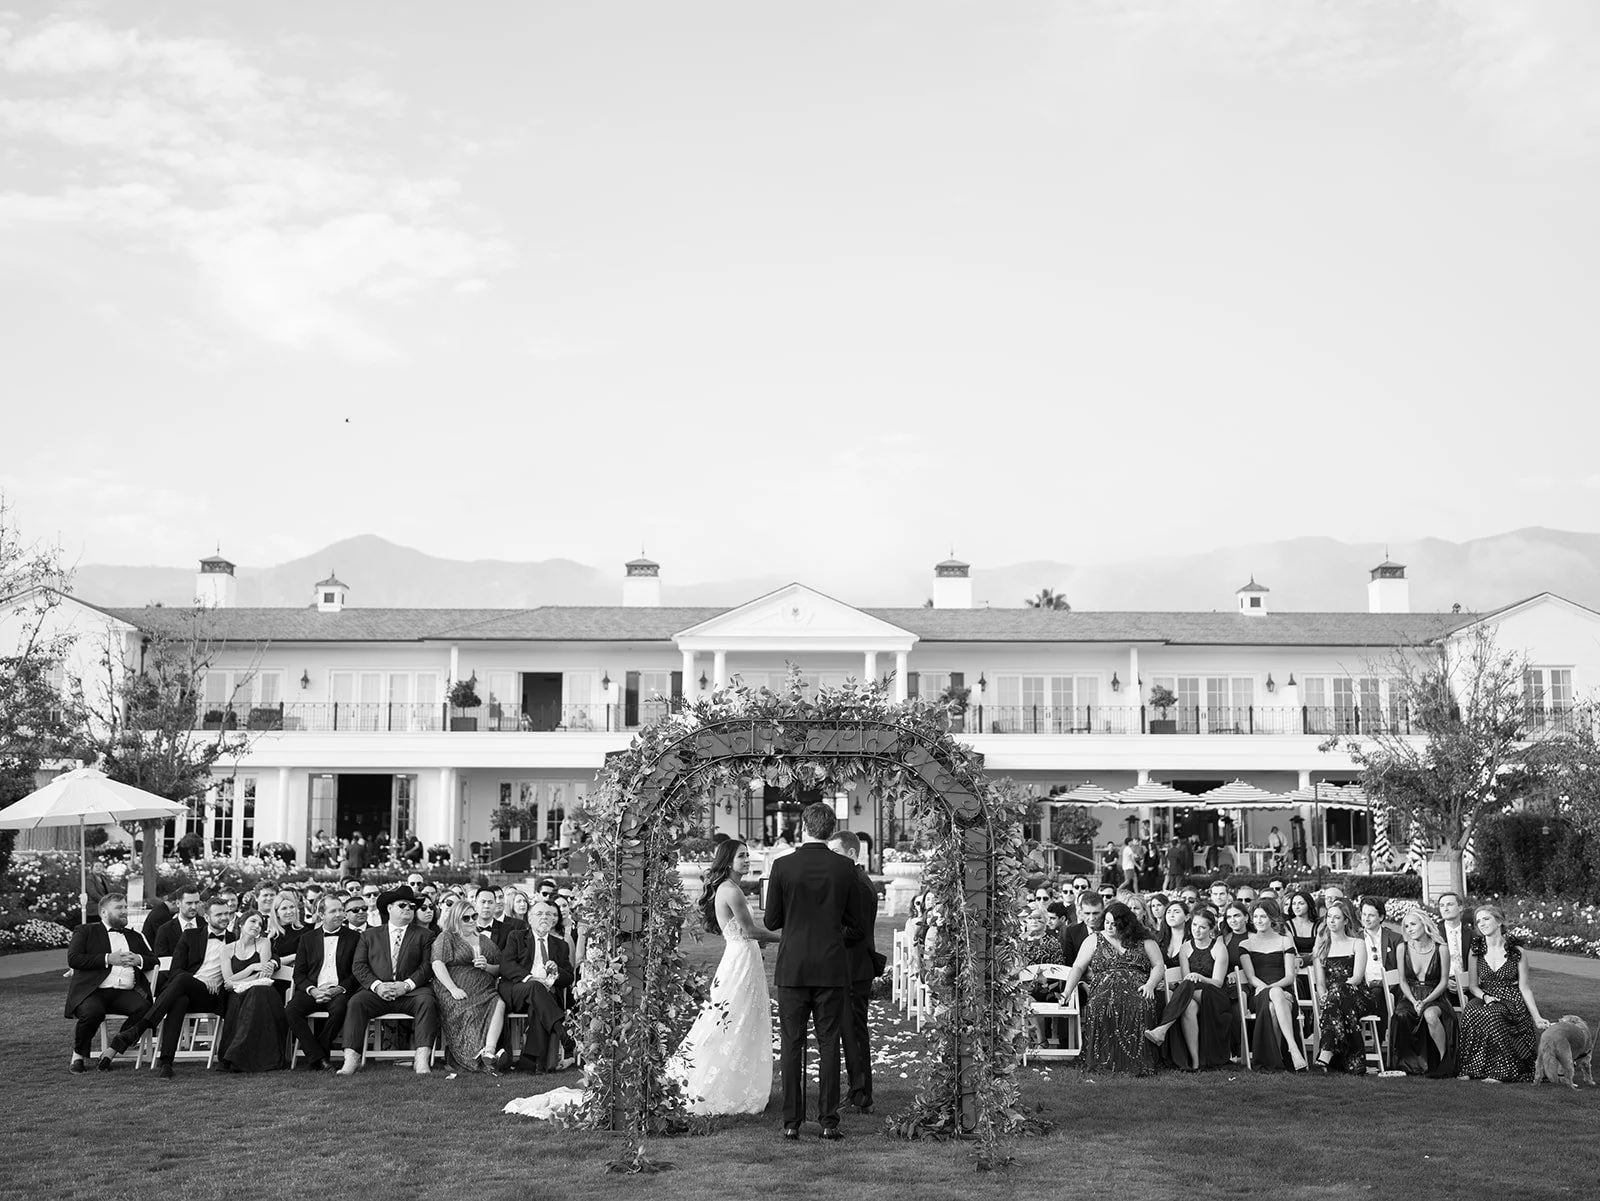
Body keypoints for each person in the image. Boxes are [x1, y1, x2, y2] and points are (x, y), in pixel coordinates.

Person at [764, 801, 867, 1141]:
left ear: (803, 827)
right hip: (830, 965)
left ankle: (792, 1122)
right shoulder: (845, 868)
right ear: (829, 827)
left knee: (792, 1044)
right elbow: (856, 922)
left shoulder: (782, 866)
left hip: (793, 966)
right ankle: (827, 1121)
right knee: (828, 1043)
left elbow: (772, 920)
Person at [671, 839, 783, 1113]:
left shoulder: (729, 888)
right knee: (734, 1017)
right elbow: (750, 931)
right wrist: (787, 937)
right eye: (741, 856)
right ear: (728, 861)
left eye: (747, 855)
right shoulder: (731, 891)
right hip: (741, 960)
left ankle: (738, 1080)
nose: (747, 860)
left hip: (743, 956)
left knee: (741, 1017)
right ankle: (720, 1082)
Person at [102, 897, 235, 1078]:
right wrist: (196, 979)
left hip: (213, 996)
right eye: (219, 914)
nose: (224, 917)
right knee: (179, 998)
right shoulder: (190, 936)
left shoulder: (235, 940)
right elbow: (175, 971)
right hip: (188, 989)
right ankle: (166, 1063)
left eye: (227, 913)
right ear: (207, 916)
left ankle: (137, 1029)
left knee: (181, 981)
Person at [338, 885, 438, 1076]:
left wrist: (406, 985)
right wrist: (377, 986)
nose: (408, 909)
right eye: (403, 905)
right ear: (389, 908)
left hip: (411, 992)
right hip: (377, 992)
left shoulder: (425, 935)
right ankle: (351, 1060)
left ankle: (422, 1060)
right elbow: (359, 966)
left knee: (427, 1001)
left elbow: (426, 967)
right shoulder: (369, 935)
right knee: (356, 1002)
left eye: (411, 906)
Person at [1060, 901, 1162, 1076]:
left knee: (1140, 1005)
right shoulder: (1094, 939)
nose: (1109, 927)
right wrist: (1067, 991)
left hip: (1138, 988)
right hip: (1104, 987)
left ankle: (1137, 1062)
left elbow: (1159, 965)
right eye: (1106, 922)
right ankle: (1103, 1061)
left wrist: (1150, 984)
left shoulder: (1144, 939)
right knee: (1099, 1004)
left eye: (1114, 924)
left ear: (1125, 924)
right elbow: (1078, 967)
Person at [1458, 904, 1550, 1083]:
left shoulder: (1517, 952)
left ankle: (1501, 1070)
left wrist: (1537, 1017)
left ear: (1499, 921)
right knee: (1470, 1010)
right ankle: (1471, 1067)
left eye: (1486, 919)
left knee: (1495, 1014)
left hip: (1511, 999)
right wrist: (1485, 997)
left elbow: (1525, 987)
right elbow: (1473, 986)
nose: (1482, 924)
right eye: (1478, 921)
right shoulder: (1475, 950)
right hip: (1484, 995)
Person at [66, 895, 158, 1073]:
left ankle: (112, 1050)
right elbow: (74, 959)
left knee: (146, 1008)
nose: (124, 911)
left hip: (124, 993)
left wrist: (138, 959)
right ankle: (78, 1055)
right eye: (119, 908)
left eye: (125, 907)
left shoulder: (135, 936)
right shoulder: (85, 931)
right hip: (93, 991)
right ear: (104, 912)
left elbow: (154, 961)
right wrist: (108, 959)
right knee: (93, 1012)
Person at [829, 830, 881, 1115]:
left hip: (854, 967)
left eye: (835, 852)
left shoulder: (858, 884)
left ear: (850, 853)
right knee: (849, 1032)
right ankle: (858, 1092)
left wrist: (827, 930)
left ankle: (861, 1095)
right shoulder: (853, 880)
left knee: (854, 1033)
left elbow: (856, 930)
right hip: (851, 966)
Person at [1144, 907, 1232, 1070]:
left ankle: (1162, 1029)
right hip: (1192, 994)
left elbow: (1218, 983)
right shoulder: (1185, 947)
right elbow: (1186, 977)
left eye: (1202, 927)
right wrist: (1191, 978)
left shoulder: (1218, 948)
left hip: (1215, 995)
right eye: (1195, 926)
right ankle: (1195, 1062)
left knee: (1189, 983)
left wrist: (1200, 977)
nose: (1197, 930)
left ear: (1211, 929)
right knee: (1189, 1007)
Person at [430, 896, 509, 1074]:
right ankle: (476, 1057)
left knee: (499, 1003)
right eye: (466, 918)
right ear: (456, 919)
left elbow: (499, 969)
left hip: (484, 989)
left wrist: (487, 966)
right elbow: (437, 964)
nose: (472, 920)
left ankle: (489, 1051)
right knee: (471, 1010)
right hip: (455, 988)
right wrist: (452, 989)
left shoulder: (484, 940)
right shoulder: (447, 937)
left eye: (474, 916)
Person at [498, 899, 575, 1073]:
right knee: (536, 988)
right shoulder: (516, 937)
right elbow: (507, 965)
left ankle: (532, 1062)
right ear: (530, 919)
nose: (545, 917)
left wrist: (557, 972)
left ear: (553, 920)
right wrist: (531, 978)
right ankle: (563, 1033)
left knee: (538, 1004)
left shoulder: (560, 945)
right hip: (517, 990)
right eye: (539, 914)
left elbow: (569, 977)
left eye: (548, 914)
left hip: (544, 997)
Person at [286, 896, 361, 1071]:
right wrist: (312, 990)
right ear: (321, 915)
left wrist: (338, 989)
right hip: (313, 990)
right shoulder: (307, 938)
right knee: (291, 1010)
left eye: (341, 910)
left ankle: (318, 1052)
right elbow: (299, 973)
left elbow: (356, 972)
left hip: (340, 991)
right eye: (333, 911)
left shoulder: (354, 938)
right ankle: (318, 1055)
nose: (339, 914)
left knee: (341, 1009)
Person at [1239, 899, 1308, 1071]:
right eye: (1255, 916)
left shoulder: (1284, 941)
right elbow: (1251, 977)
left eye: (1263, 916)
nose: (1259, 920)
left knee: (1273, 1007)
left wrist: (1276, 990)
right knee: (1275, 995)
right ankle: (1292, 1048)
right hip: (1259, 993)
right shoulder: (1245, 944)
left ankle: (1275, 1060)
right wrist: (1272, 990)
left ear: (1272, 919)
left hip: (1285, 993)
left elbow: (1289, 976)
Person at [1389, 907, 1458, 1078]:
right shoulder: (1402, 948)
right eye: (1406, 926)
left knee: (1430, 1016)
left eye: (1413, 924)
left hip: (1435, 995)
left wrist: (1426, 1001)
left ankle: (1444, 1061)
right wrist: (1414, 1001)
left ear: (1424, 924)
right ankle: (1409, 1064)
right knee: (1401, 1013)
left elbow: (1443, 982)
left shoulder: (1441, 949)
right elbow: (1402, 981)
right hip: (1410, 995)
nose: (1409, 929)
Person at [218, 913, 288, 1072]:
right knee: (245, 996)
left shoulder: (264, 943)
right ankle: (238, 1055)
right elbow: (227, 981)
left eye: (260, 924)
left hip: (263, 992)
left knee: (258, 991)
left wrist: (240, 981)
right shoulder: (227, 949)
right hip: (238, 995)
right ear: (241, 924)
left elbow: (263, 974)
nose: (257, 926)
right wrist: (250, 968)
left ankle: (237, 1055)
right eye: (253, 921)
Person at [1309, 898, 1369, 1074]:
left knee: (1338, 991)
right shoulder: (1321, 948)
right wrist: (1324, 997)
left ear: (1346, 921)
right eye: (1329, 917)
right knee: (1337, 1002)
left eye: (1336, 917)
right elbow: (1320, 983)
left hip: (1358, 995)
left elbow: (1357, 978)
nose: (1331, 921)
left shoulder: (1357, 943)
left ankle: (1325, 1054)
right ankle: (1348, 1062)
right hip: (1335, 1002)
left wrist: (1334, 993)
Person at [1357, 896, 1403, 1026]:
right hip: (1363, 987)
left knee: (1379, 993)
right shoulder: (1355, 939)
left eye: (1371, 915)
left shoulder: (1395, 939)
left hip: (1390, 987)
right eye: (1364, 914)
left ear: (1381, 917)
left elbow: (1402, 968)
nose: (1366, 918)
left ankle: (1379, 1041)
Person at [1435, 891, 1473, 1007]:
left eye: (1449, 904)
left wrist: (1469, 981)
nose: (1445, 909)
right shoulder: (1434, 935)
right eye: (1442, 905)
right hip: (1441, 985)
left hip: (1469, 984)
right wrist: (1444, 982)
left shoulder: (1473, 935)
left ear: (1460, 907)